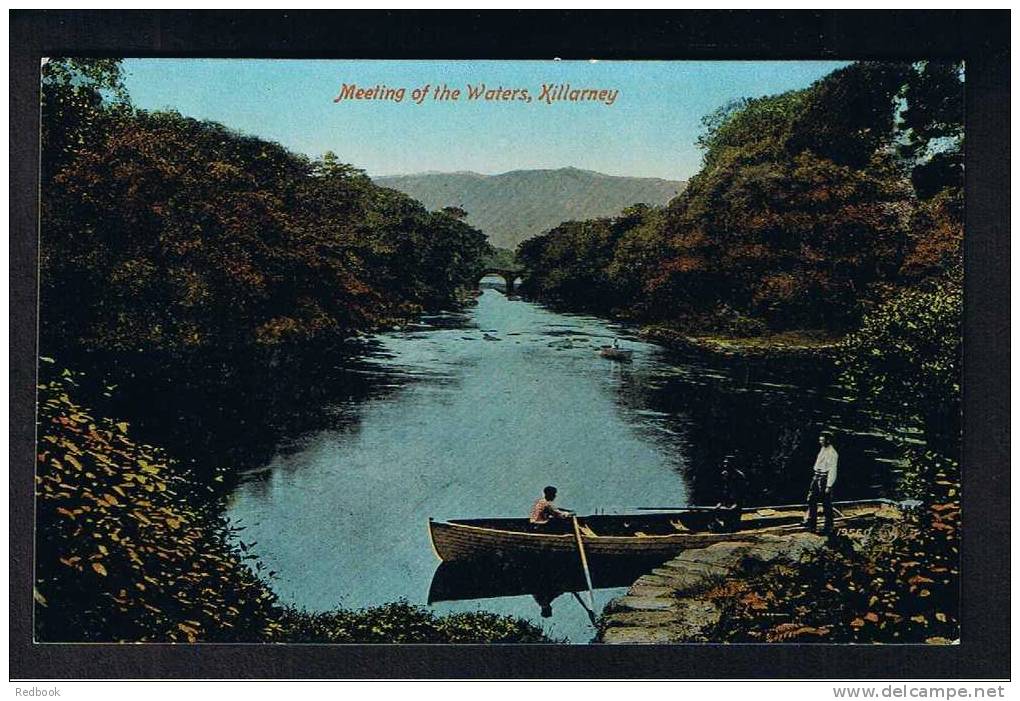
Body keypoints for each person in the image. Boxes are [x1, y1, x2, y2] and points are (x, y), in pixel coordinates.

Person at [803, 431, 838, 533]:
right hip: (817, 476)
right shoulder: (823, 449)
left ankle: (828, 526)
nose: (820, 442)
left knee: (826, 503)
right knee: (811, 499)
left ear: (828, 440)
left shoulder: (832, 453)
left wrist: (829, 485)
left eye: (822, 440)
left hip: (824, 479)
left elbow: (832, 470)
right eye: (820, 440)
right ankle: (811, 522)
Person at [711, 455, 747, 531]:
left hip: (736, 502)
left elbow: (742, 492)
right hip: (726, 501)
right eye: (724, 464)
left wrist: (736, 504)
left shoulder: (739, 476)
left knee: (733, 520)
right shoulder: (725, 475)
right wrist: (720, 502)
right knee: (720, 515)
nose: (725, 466)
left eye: (727, 464)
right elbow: (723, 490)